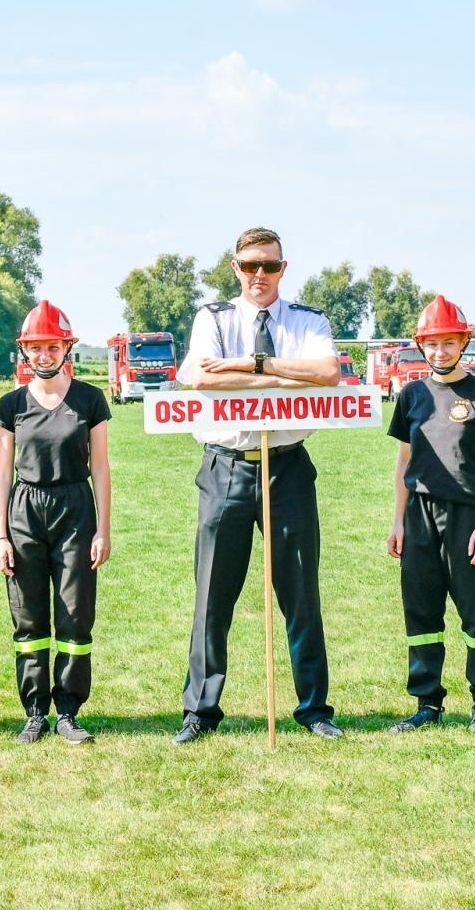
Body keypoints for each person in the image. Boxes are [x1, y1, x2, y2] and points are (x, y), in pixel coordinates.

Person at [173, 227, 342, 743]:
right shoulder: (214, 318)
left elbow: (330, 372)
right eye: (250, 266)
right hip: (226, 465)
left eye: (269, 265)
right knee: (213, 595)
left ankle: (314, 709)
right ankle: (200, 711)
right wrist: (290, 379)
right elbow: (201, 379)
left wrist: (254, 363)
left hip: (288, 467)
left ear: (283, 268)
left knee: (300, 593)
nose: (259, 276)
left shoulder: (308, 320)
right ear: (235, 268)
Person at [385, 295, 475, 733]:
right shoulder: (412, 394)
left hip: (467, 516)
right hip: (419, 514)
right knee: (421, 613)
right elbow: (404, 462)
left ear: (464, 342)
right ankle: (427, 702)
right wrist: (398, 521)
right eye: (433, 344)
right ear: (422, 346)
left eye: (450, 343)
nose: (441, 352)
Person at [0, 301, 111, 745]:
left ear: (67, 348)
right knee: (28, 618)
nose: (43, 355)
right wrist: (0, 533)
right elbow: (2, 472)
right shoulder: (11, 404)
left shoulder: (89, 399)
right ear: (25, 352)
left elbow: (99, 467)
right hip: (24, 510)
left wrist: (104, 528)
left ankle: (68, 710)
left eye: (51, 346)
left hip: (75, 508)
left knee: (75, 616)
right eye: (35, 347)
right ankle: (35, 710)